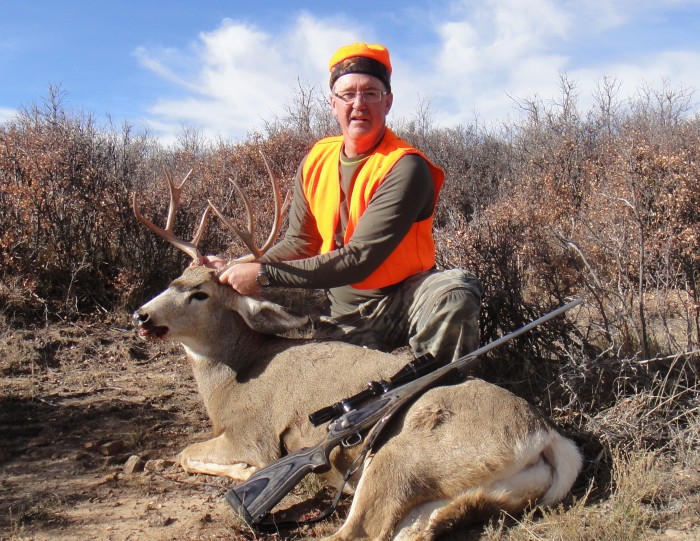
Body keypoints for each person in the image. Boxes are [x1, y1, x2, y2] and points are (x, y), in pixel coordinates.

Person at [213, 42, 483, 364]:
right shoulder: (317, 159)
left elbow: (360, 259)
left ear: (388, 102)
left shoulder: (405, 167)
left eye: (371, 93)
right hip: (340, 310)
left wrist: (264, 275)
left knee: (453, 293)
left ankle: (443, 391)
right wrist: (237, 270)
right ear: (332, 103)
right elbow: (300, 242)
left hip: (402, 300)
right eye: (347, 94)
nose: (359, 104)